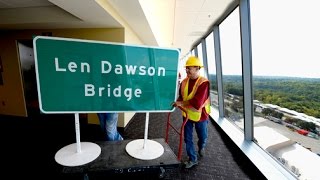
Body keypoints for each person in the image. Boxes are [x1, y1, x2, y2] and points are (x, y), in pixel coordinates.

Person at [172, 56, 211, 169]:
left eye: (190, 68)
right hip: (187, 115)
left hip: (201, 115)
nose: (187, 70)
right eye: (186, 68)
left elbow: (197, 103)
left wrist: (181, 103)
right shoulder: (184, 82)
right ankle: (192, 158)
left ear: (197, 68)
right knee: (187, 138)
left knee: (202, 136)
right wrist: (177, 102)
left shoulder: (204, 83)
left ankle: (201, 146)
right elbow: (181, 97)